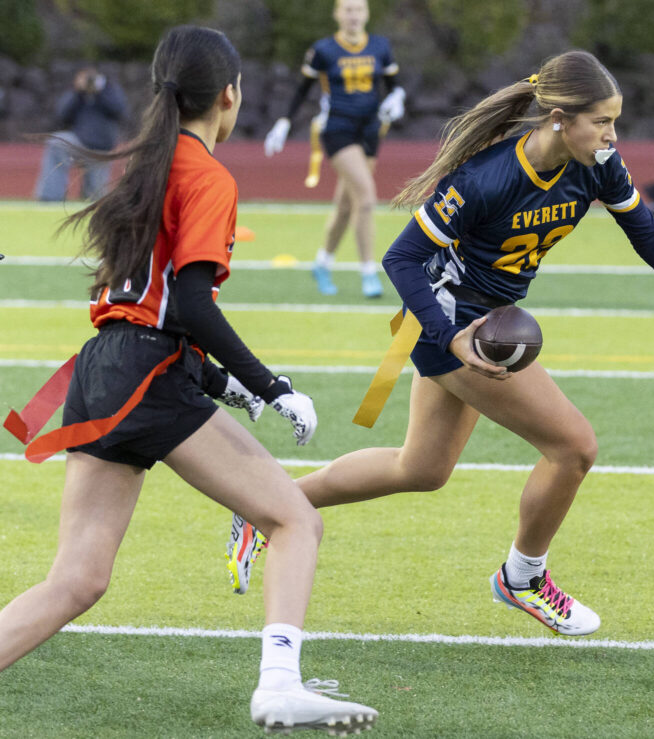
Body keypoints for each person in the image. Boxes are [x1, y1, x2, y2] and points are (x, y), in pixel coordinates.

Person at [230, 50, 654, 637]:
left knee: (421, 468)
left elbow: (649, 236)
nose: (613, 135)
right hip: (451, 321)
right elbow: (401, 257)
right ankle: (523, 578)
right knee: (575, 447)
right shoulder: (488, 177)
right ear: (560, 117)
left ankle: (267, 507)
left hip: (481, 321)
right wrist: (450, 336)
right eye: (603, 121)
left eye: (615, 121)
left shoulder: (598, 163)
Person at [0, 26, 377, 734]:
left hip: (108, 368)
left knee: (77, 578)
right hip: (147, 375)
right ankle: (279, 684)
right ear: (228, 95)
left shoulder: (144, 166)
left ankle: (283, 678)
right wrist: (268, 384)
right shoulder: (205, 174)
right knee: (295, 517)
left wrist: (217, 382)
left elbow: (150, 307)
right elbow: (193, 300)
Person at [263, 0, 405, 298]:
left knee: (346, 205)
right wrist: (285, 122)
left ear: (367, 13)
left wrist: (397, 99)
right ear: (338, 14)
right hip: (338, 129)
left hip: (370, 130)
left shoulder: (380, 46)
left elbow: (394, 85)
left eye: (359, 9)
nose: (354, 15)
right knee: (366, 198)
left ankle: (322, 263)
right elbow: (303, 89)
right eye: (348, 9)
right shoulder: (324, 50)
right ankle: (368, 271)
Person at [34, 66, 127, 202]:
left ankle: (88, 198)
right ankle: (50, 197)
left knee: (96, 197)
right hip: (79, 142)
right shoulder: (78, 94)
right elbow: (62, 114)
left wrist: (101, 91)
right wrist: (77, 92)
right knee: (57, 143)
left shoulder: (110, 89)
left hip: (101, 148)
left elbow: (119, 110)